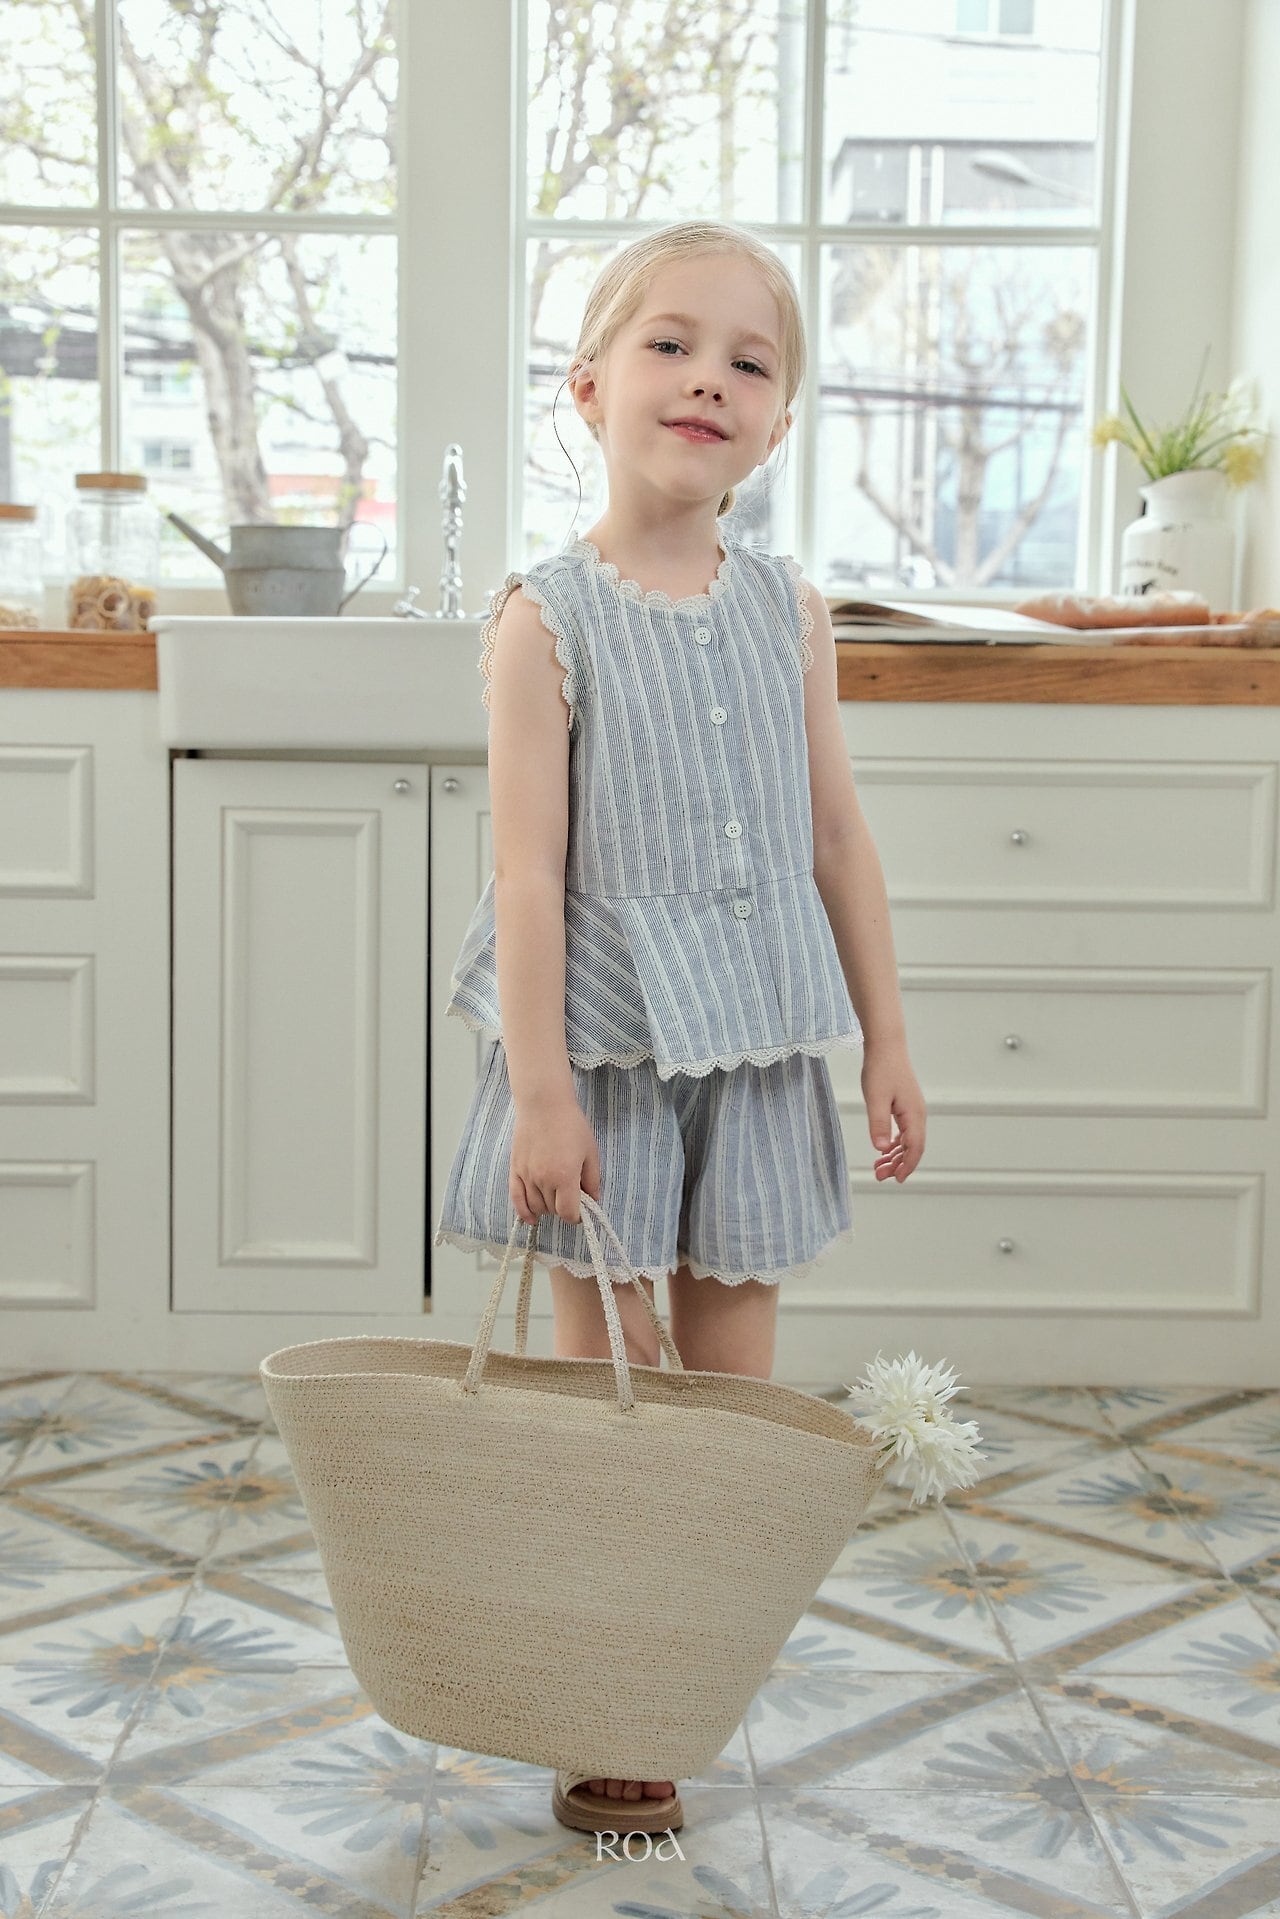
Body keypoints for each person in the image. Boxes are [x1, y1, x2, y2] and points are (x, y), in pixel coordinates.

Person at [433, 218, 926, 1832]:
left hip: (762, 1048)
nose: (709, 378)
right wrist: (542, 1095)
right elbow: (527, 873)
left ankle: (682, 1669)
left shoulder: (790, 609)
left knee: (727, 1409)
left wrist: (887, 1041)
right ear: (588, 387)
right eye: (670, 344)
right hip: (610, 1063)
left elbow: (836, 836)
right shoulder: (547, 619)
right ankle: (605, 1700)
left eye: (750, 361)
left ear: (777, 425)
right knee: (615, 1404)